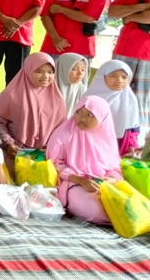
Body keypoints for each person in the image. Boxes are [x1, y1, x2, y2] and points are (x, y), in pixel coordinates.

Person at [46, 96, 123, 225]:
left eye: (90, 115)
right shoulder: (64, 134)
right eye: (79, 112)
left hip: (102, 183)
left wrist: (112, 179)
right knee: (96, 211)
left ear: (102, 118)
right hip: (72, 182)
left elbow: (114, 167)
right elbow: (56, 163)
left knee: (124, 205)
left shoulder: (107, 138)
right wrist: (81, 180)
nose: (82, 119)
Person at [0, 53, 67, 174]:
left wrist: (51, 148)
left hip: (45, 154)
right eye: (39, 71)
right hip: (13, 150)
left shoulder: (57, 99)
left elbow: (61, 129)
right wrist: (8, 143)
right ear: (28, 70)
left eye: (50, 72)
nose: (46, 76)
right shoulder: (11, 94)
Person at [108, 0, 150, 139]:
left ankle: (136, 140)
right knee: (115, 93)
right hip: (123, 49)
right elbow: (113, 12)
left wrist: (130, 16)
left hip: (146, 54)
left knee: (140, 99)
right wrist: (141, 7)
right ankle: (112, 134)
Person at [82, 60, 140, 157]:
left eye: (124, 77)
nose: (119, 80)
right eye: (113, 76)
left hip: (120, 145)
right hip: (92, 144)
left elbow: (133, 128)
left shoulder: (130, 99)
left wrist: (131, 145)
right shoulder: (90, 99)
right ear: (103, 77)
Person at [55, 53, 88, 117]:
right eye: (74, 69)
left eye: (83, 70)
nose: (80, 73)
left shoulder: (82, 89)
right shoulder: (48, 88)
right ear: (62, 69)